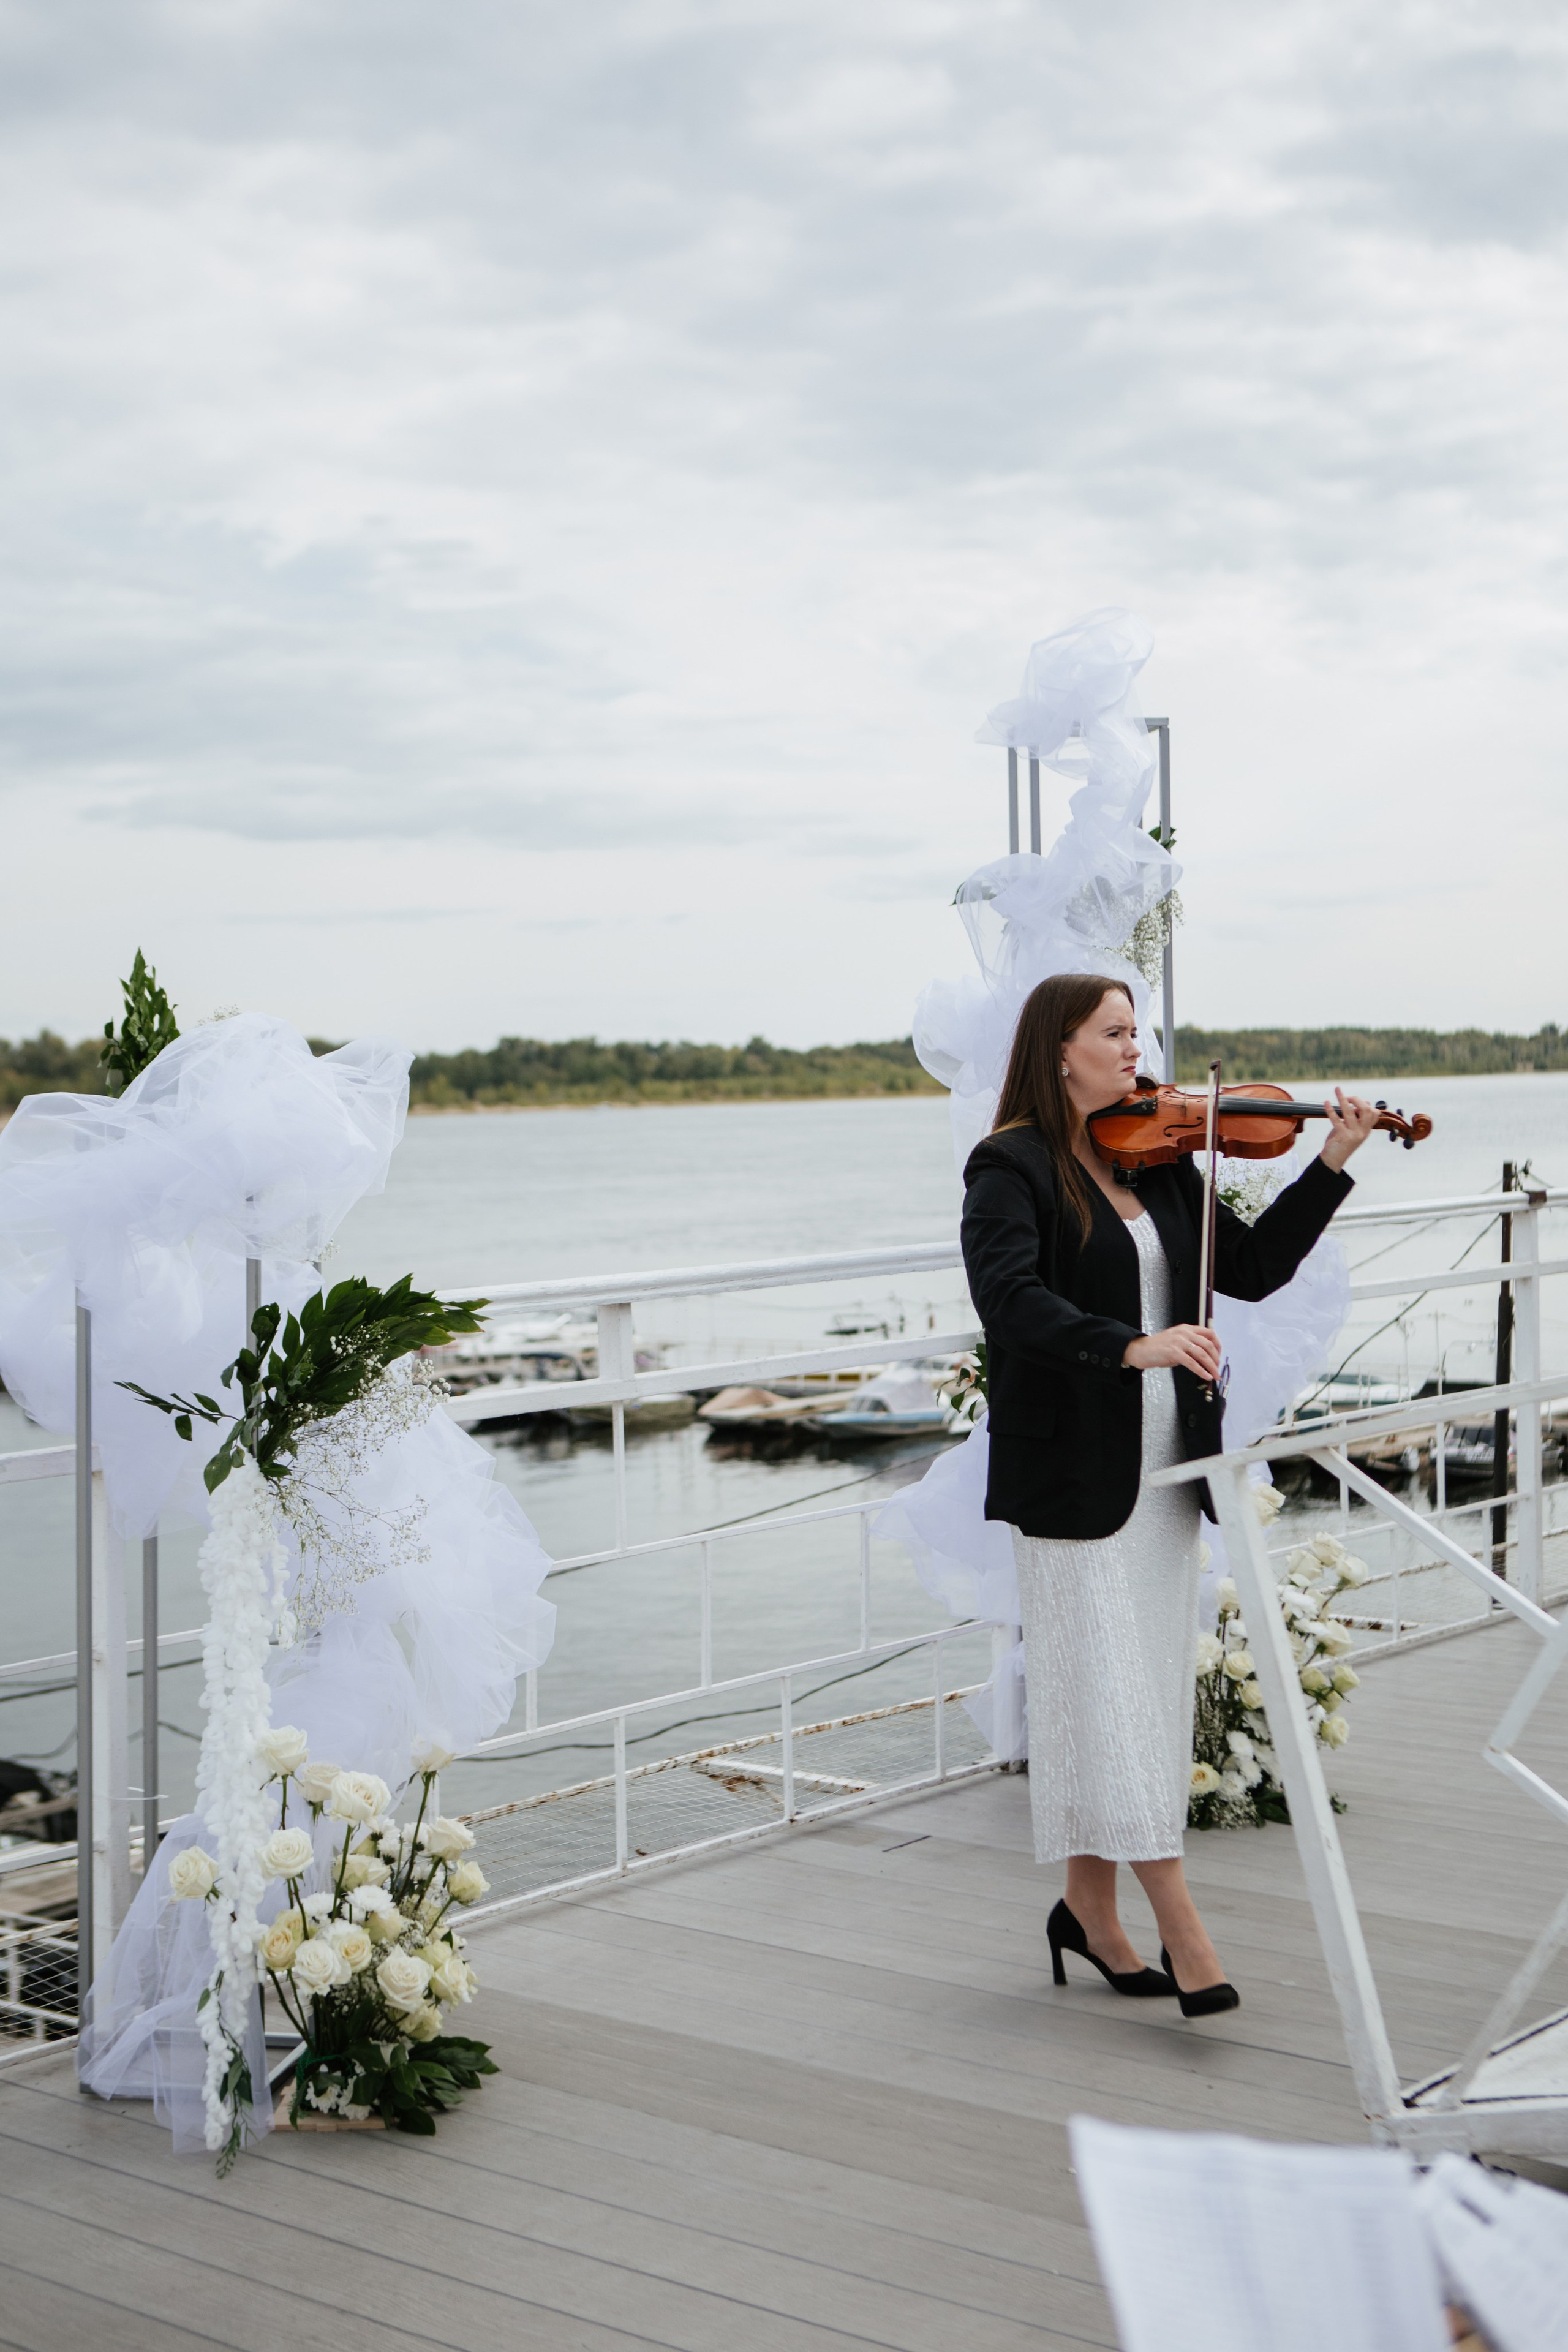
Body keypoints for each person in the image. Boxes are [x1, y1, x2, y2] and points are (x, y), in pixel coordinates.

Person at [960, 974, 1378, 2016]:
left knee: (1138, 1693)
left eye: (1136, 1031)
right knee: (1107, 1694)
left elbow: (1249, 1270)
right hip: (1074, 1478)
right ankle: (1184, 1931)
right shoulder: (1008, 1166)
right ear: (1060, 1049)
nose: (1136, 1050)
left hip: (1163, 1474)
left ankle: (1086, 1914)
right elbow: (1010, 1302)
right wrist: (1133, 1344)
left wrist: (1328, 1161)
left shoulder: (1163, 1155)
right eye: (1113, 1033)